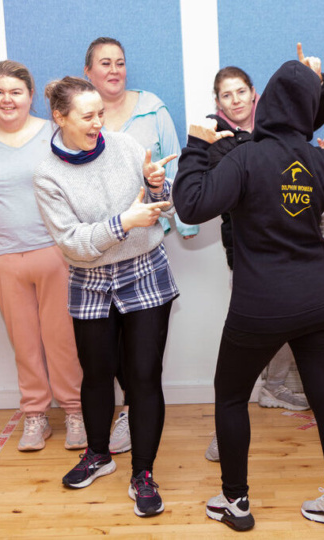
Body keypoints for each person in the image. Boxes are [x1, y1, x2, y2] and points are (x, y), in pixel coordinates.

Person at [174, 59, 324, 534]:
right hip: (319, 303)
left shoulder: (245, 159)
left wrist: (194, 145)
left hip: (260, 307)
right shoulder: (321, 161)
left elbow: (190, 203)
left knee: (230, 398)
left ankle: (235, 502)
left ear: (264, 100)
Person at [33, 76, 178, 516]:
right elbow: (72, 243)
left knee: (143, 376)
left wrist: (157, 187)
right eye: (87, 115)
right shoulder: (46, 173)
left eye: (101, 113)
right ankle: (97, 455)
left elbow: (162, 206)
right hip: (89, 279)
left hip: (144, 272)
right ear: (60, 117)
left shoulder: (127, 146)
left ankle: (143, 474)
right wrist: (123, 222)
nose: (99, 122)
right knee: (95, 374)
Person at [203, 47, 324, 462]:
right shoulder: (218, 137)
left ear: (257, 94)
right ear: (218, 103)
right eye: (226, 94)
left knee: (288, 337)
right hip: (246, 258)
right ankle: (225, 430)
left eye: (241, 91)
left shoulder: (281, 129)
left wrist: (318, 78)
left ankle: (274, 388)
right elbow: (203, 197)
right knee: (238, 369)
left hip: (298, 265)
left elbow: (316, 110)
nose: (235, 99)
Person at [0, 60, 85, 452]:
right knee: (25, 342)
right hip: (3, 261)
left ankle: (76, 412)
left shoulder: (54, 133)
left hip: (56, 255)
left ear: (31, 96)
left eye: (15, 91)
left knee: (63, 339)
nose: (6, 99)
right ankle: (35, 415)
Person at [83, 36, 197, 454]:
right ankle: (128, 408)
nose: (114, 70)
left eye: (120, 62)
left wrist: (182, 222)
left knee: (141, 346)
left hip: (146, 245)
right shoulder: (83, 113)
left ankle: (133, 411)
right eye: (104, 63)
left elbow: (176, 163)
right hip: (96, 249)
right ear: (88, 72)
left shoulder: (152, 106)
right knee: (105, 348)